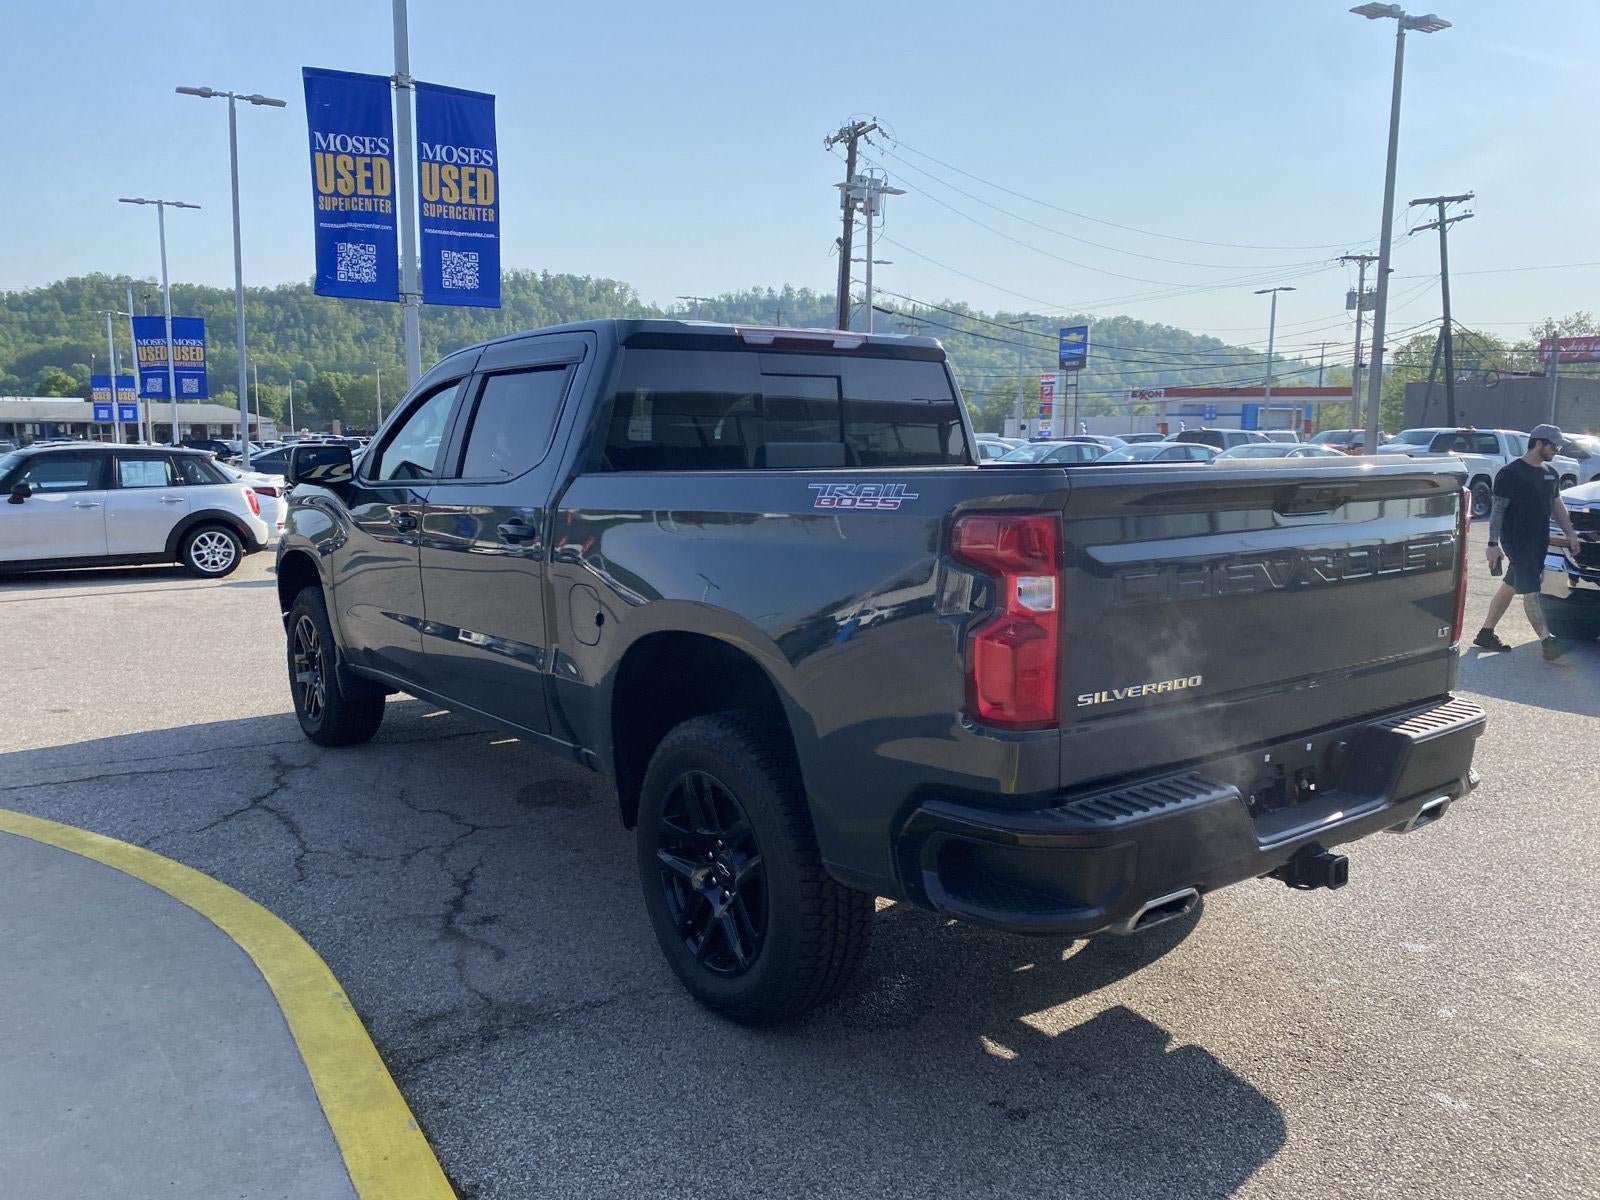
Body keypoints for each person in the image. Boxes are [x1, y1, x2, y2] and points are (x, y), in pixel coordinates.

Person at [1472, 424, 1581, 660]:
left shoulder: (1550, 473)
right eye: (1555, 446)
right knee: (1531, 589)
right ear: (1540, 443)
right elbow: (1497, 511)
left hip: (1538, 540)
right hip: (1516, 541)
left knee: (1511, 584)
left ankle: (1486, 633)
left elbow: (1556, 505)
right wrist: (1492, 544)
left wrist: (1570, 533)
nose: (1558, 450)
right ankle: (1547, 642)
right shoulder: (1510, 473)